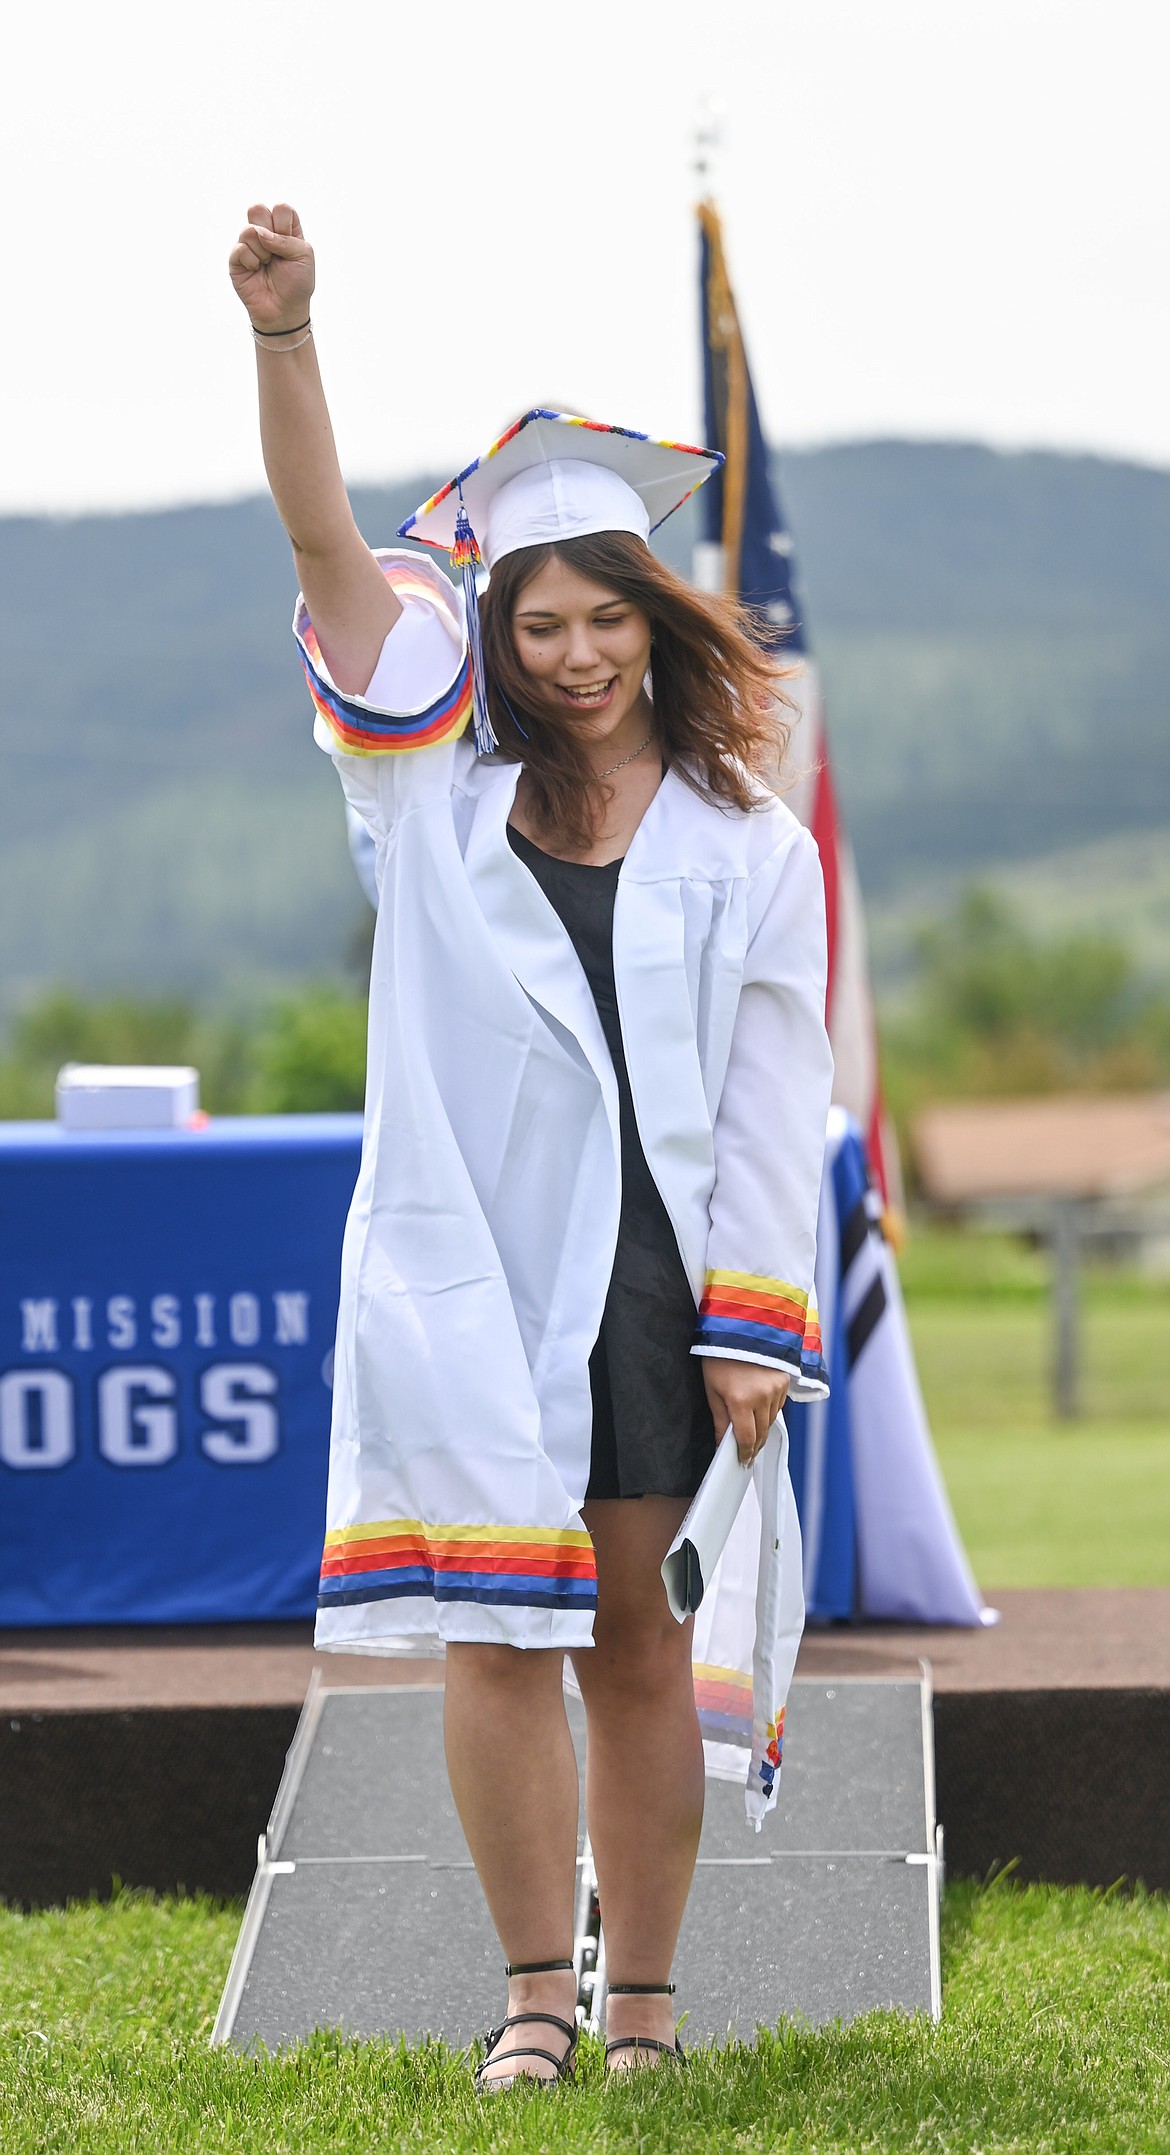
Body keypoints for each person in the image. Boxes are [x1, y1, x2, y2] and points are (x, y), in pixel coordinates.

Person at [229, 202, 833, 2086]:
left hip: (660, 1278)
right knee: (496, 1632)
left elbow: (766, 1081)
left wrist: (751, 1317)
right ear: (489, 634)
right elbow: (330, 547)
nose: (575, 656)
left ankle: (642, 2008)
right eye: (539, 624)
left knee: (639, 1650)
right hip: (475, 1263)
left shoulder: (752, 845)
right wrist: (287, 339)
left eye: (605, 619)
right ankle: (530, 2002)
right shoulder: (423, 792)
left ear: (658, 622)